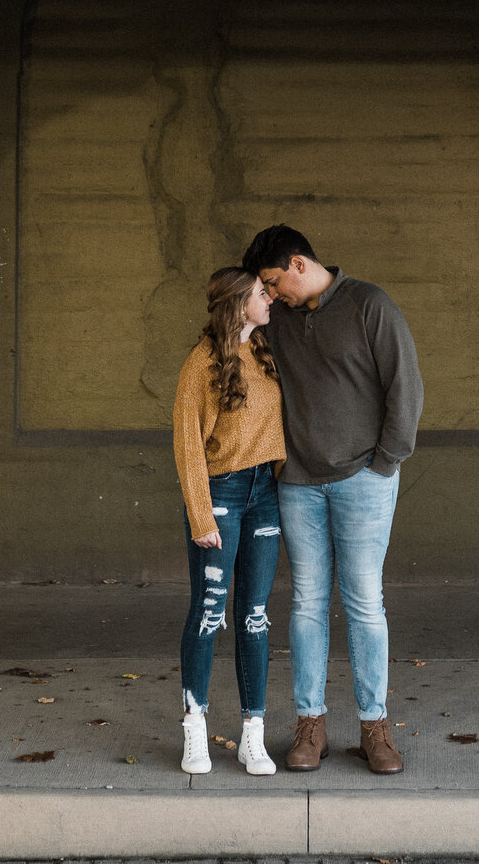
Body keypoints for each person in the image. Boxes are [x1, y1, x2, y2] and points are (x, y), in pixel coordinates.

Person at [242, 223, 422, 775]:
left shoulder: (370, 305)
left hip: (364, 479)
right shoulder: (277, 321)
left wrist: (384, 463)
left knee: (365, 602)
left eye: (273, 282)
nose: (270, 295)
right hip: (297, 482)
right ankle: (310, 726)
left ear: (299, 264)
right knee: (307, 604)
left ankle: (375, 727)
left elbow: (406, 388)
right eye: (263, 289)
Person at [169, 266, 286, 775]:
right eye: (263, 294)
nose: (271, 299)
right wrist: (200, 514)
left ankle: (251, 736)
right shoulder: (201, 363)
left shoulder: (264, 352)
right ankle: (195, 729)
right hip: (221, 492)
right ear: (239, 303)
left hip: (266, 493)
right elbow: (187, 444)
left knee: (254, 615)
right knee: (210, 611)